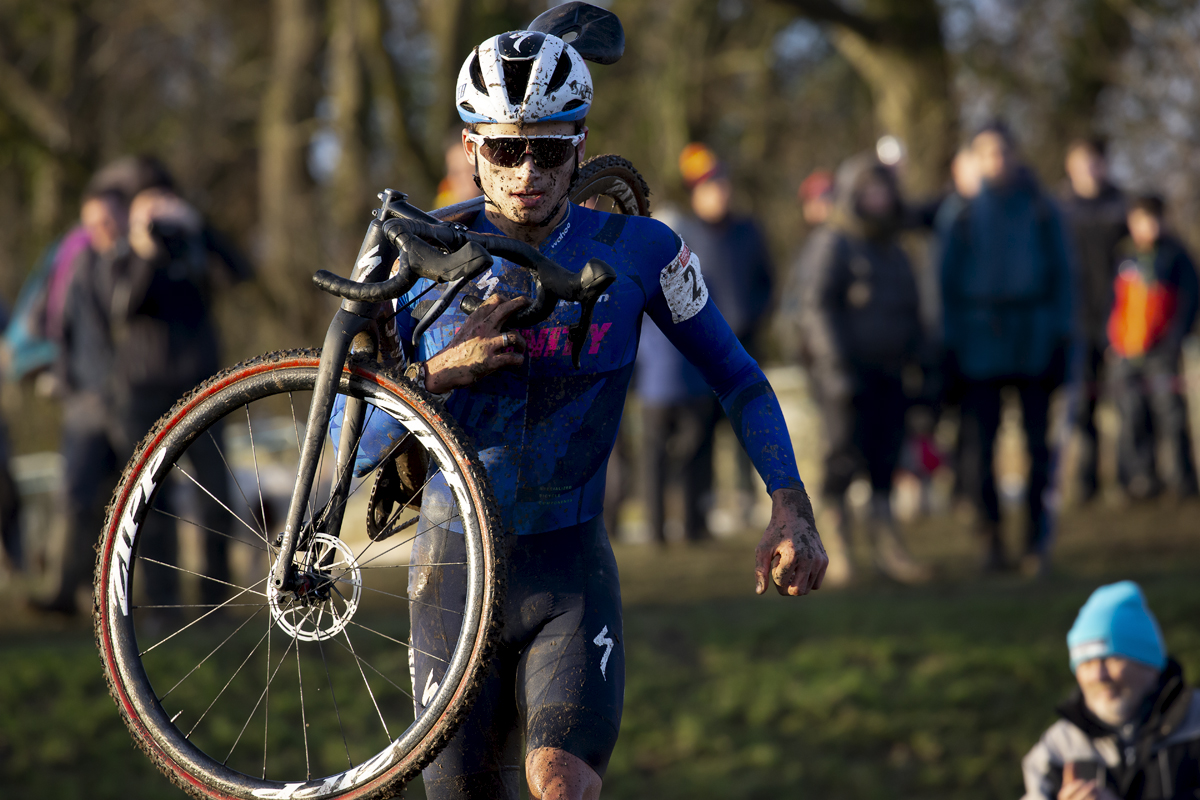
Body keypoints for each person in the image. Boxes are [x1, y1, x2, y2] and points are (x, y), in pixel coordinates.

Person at [339, 23, 827, 799]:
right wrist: (434, 374)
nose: (528, 171)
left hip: (570, 567)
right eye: (505, 150)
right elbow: (341, 447)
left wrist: (789, 505)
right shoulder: (419, 261)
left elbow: (738, 377)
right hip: (452, 571)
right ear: (471, 147)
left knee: (560, 782)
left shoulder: (644, 251)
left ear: (581, 145)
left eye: (551, 151)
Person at [940, 121, 1075, 575]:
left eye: (1003, 153)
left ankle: (1037, 539)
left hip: (1034, 337)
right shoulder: (958, 214)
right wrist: (949, 344)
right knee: (980, 446)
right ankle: (990, 538)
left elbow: (1063, 275)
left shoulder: (1041, 209)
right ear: (976, 160)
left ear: (1015, 155)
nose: (996, 162)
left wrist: (1062, 334)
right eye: (987, 154)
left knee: (1039, 444)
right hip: (978, 342)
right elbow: (943, 285)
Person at [795, 153, 931, 586]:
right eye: (869, 191)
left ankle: (888, 546)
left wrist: (920, 359)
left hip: (890, 374)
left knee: (885, 461)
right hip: (845, 377)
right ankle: (835, 547)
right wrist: (835, 368)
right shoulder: (833, 242)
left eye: (884, 190)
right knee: (842, 458)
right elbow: (816, 307)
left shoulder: (895, 247)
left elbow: (912, 307)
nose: (878, 198)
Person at [1021, 581, 1200, 800]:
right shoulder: (1057, 751)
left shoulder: (1195, 727)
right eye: (1085, 664)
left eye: (1111, 659)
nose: (1098, 676)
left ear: (1149, 664)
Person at [675, 143, 775, 527]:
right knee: (699, 432)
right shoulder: (686, 235)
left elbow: (767, 281)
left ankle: (750, 498)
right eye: (710, 188)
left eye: (723, 185)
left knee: (748, 424)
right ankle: (702, 503)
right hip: (702, 349)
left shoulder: (750, 231)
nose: (720, 194)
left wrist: (754, 315)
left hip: (746, 344)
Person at [1106, 195, 1199, 500]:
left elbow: (1189, 300)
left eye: (1152, 219)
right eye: (1139, 221)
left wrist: (1175, 338)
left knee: (1170, 414)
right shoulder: (1123, 255)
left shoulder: (1175, 256)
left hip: (1161, 351)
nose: (1146, 227)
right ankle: (1140, 479)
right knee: (1131, 414)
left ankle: (1182, 479)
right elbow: (1114, 302)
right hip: (1125, 350)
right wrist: (1113, 340)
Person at [1062, 138, 1127, 502]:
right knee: (1081, 406)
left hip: (1121, 321)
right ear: (1070, 166)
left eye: (1095, 162)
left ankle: (1132, 477)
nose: (1090, 169)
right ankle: (1086, 481)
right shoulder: (1059, 210)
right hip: (1076, 324)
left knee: (1127, 403)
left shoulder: (1123, 208)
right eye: (1082, 162)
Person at [634, 316, 716, 543]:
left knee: (654, 463)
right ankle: (693, 528)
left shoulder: (642, 284)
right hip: (693, 385)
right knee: (695, 460)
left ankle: (655, 532)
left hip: (654, 387)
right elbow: (715, 333)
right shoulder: (699, 283)